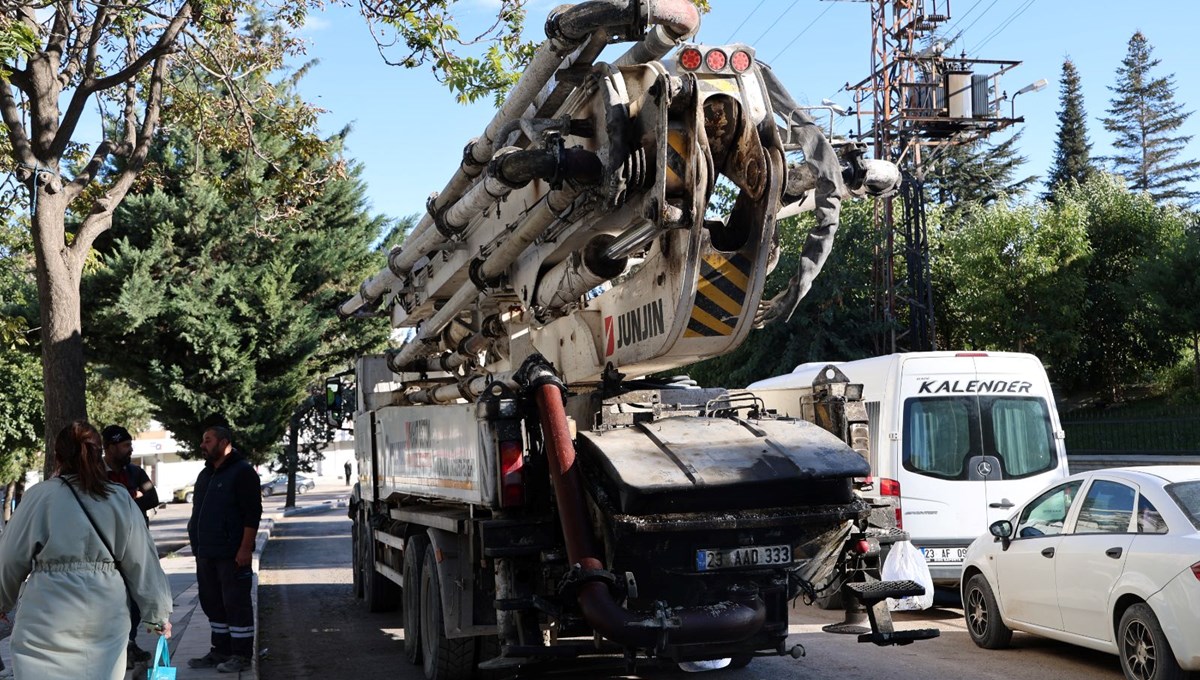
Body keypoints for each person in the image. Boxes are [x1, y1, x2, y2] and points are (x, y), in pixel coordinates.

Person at [0, 421, 172, 680]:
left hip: (46, 616)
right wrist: (157, 614)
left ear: (57, 456)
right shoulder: (119, 498)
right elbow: (142, 561)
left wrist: (1, 602)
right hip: (106, 615)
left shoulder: (39, 497)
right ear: (99, 453)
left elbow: (10, 559)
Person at [187, 425, 262, 673]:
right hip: (206, 553)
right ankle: (220, 650)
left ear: (224, 443)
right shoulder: (205, 475)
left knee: (236, 604)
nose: (202, 445)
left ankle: (241, 655)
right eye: (202, 440)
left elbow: (252, 515)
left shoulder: (243, 472)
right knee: (212, 603)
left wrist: (245, 549)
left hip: (232, 555)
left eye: (208, 440)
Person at [102, 423, 161, 666]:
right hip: (107, 548)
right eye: (125, 445)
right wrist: (129, 500)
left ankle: (130, 642)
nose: (130, 449)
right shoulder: (97, 473)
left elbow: (152, 497)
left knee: (136, 597)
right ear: (109, 447)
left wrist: (126, 505)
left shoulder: (136, 473)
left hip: (135, 544)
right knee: (114, 598)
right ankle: (119, 646)